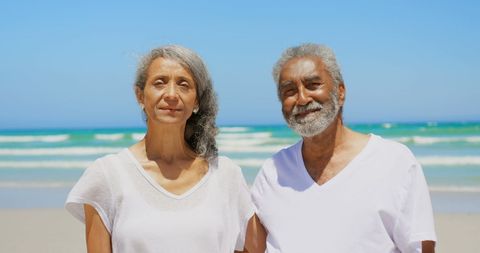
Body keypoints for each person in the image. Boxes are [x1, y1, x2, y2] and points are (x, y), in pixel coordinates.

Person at [249, 43, 437, 252]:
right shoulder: (272, 172)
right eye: (290, 91)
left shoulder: (394, 162)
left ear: (340, 92)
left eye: (313, 85)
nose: (302, 99)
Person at [65, 45, 254, 253]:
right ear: (140, 95)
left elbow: (250, 248)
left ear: (197, 101)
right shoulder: (107, 175)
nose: (171, 94)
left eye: (183, 84)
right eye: (159, 83)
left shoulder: (226, 175)